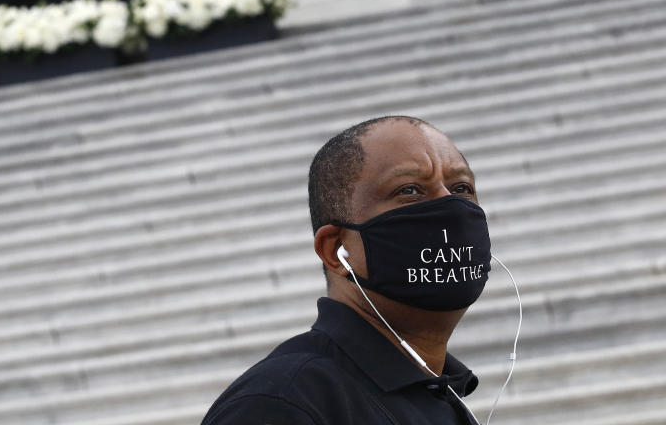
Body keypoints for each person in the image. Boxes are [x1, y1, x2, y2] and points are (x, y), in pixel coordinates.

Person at [201, 115, 492, 424]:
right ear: (335, 251)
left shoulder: (438, 395)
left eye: (461, 187)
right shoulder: (284, 402)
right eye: (409, 190)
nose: (451, 208)